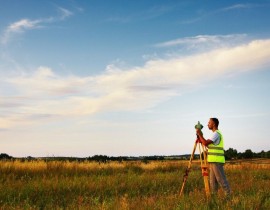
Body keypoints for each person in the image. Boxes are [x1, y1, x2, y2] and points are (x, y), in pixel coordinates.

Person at [196, 118, 231, 198]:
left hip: (217, 161)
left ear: (214, 124)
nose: (207, 124)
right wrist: (200, 135)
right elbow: (205, 143)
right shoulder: (214, 135)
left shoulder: (216, 134)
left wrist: (199, 134)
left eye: (209, 122)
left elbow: (205, 143)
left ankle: (229, 198)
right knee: (213, 182)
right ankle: (214, 199)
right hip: (212, 161)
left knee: (221, 180)